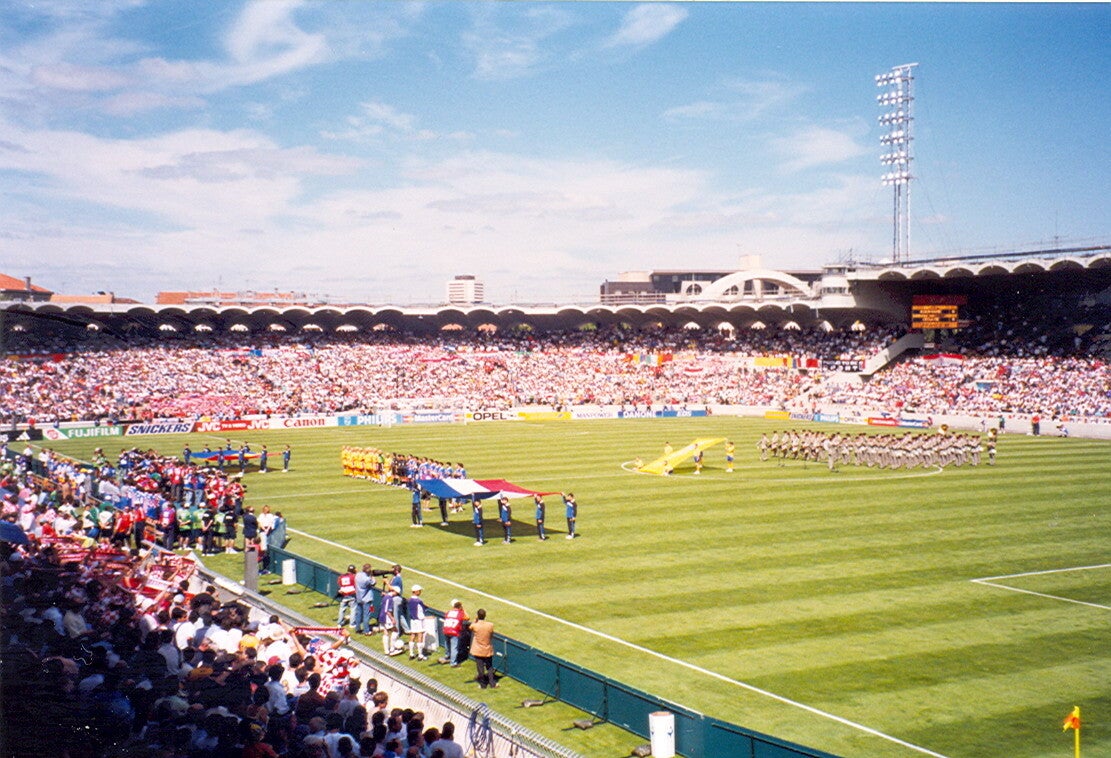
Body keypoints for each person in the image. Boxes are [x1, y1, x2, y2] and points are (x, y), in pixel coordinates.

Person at [468, 608, 496, 689]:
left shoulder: (475, 626)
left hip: (478, 650)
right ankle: (492, 683)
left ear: (478, 615)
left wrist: (475, 620)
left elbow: (470, 627)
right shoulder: (490, 625)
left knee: (480, 668)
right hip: (487, 649)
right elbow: (491, 635)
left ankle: (483, 685)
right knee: (489, 667)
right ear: (485, 615)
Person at [440, 600, 467, 667]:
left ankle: (447, 656)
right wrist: (463, 610)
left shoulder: (449, 612)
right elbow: (467, 617)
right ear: (460, 607)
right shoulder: (460, 613)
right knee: (454, 647)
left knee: (447, 644)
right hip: (454, 631)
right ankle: (453, 663)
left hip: (446, 630)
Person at [407, 585, 427, 661]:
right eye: (419, 591)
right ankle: (420, 655)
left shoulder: (410, 600)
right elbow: (422, 609)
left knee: (412, 635)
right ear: (416, 591)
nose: (420, 592)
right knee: (420, 636)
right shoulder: (419, 601)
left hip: (412, 619)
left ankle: (411, 654)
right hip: (419, 620)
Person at [354, 564, 375, 635]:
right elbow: (373, 583)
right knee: (366, 615)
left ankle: (357, 628)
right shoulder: (367, 579)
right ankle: (366, 631)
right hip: (366, 599)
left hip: (359, 597)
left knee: (358, 614)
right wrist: (372, 576)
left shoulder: (358, 575)